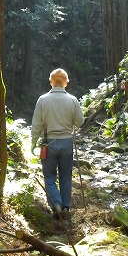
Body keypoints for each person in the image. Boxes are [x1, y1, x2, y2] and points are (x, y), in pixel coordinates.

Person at [31, 68, 84, 215]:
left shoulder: (42, 100)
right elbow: (79, 122)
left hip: (47, 143)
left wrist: (33, 142)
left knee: (49, 176)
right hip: (66, 142)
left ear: (50, 82)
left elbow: (36, 124)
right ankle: (66, 206)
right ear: (66, 83)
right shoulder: (73, 100)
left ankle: (56, 205)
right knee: (65, 175)